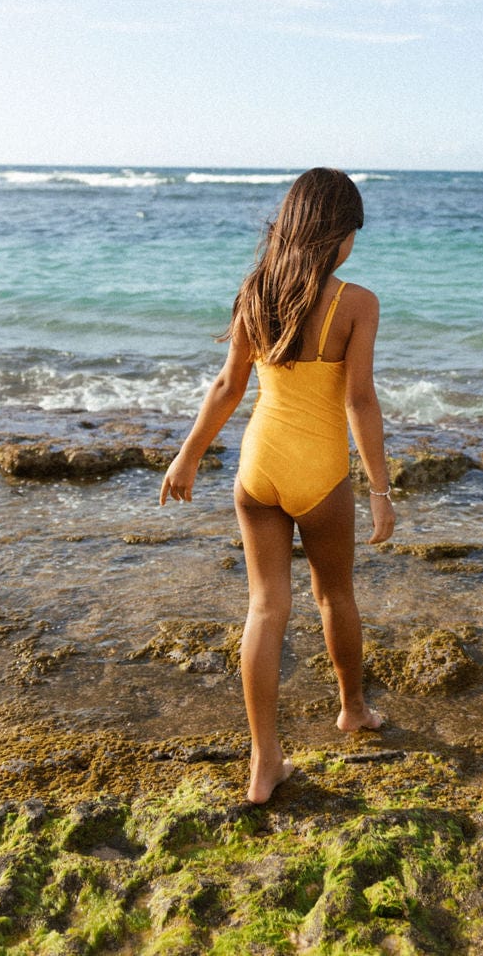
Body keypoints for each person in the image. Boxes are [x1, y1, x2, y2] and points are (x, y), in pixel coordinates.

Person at [159, 167, 396, 803]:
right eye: (353, 232)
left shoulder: (256, 292)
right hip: (319, 474)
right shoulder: (358, 303)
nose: (353, 244)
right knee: (335, 596)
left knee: (265, 608)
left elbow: (227, 386)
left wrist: (187, 457)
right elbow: (361, 403)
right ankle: (352, 709)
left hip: (256, 469)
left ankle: (265, 760)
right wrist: (380, 489)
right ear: (338, 234)